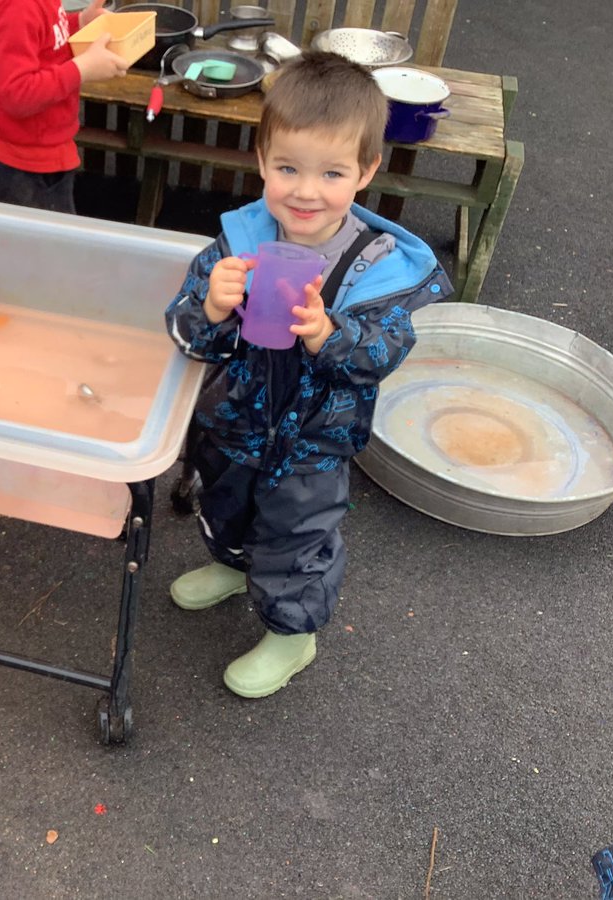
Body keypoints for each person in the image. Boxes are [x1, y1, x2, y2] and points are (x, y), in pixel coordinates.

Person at [164, 51, 454, 699]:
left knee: (296, 538)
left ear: (366, 172)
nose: (305, 190)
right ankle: (234, 567)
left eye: (331, 173)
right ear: (262, 159)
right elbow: (185, 336)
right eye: (287, 167)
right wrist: (211, 306)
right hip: (234, 425)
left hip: (313, 447)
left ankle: (293, 635)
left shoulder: (377, 268)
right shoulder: (235, 245)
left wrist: (328, 334)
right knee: (228, 508)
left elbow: (383, 354)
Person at [0, 0, 129, 214]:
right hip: (28, 163)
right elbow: (18, 94)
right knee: (46, 243)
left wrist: (79, 23)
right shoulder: (18, 7)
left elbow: (43, 37)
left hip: (14, 142)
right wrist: (82, 68)